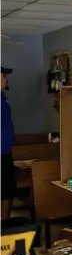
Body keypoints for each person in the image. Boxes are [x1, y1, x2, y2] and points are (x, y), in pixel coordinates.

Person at [1, 66, 16, 220]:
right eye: (4, 75)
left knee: (8, 189)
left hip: (5, 151)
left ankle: (5, 223)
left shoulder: (3, 96)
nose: (6, 78)